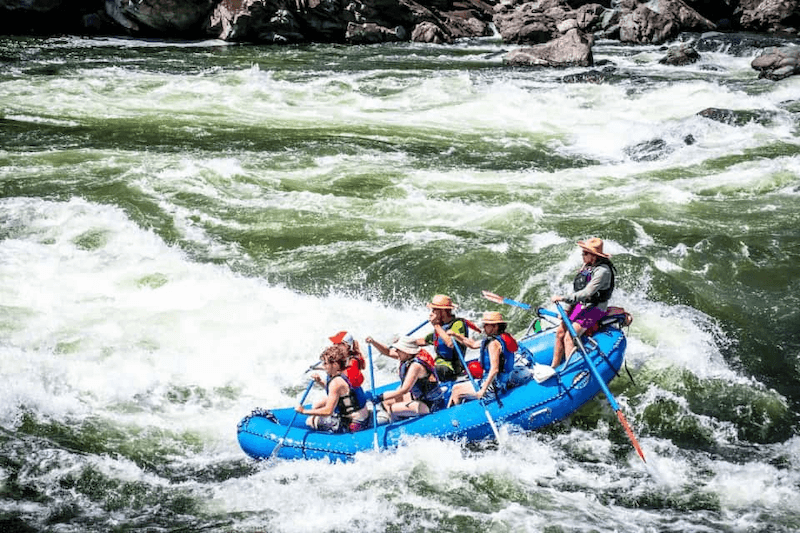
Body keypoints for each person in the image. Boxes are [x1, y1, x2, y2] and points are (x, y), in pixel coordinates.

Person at [549, 238, 616, 368]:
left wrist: (563, 298)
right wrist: (568, 310)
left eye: (585, 253)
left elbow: (586, 293)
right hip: (581, 305)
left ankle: (572, 369)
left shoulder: (603, 271)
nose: (582, 256)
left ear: (594, 256)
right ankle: (554, 366)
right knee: (560, 332)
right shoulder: (587, 266)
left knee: (570, 336)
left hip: (596, 308)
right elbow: (578, 289)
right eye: (583, 253)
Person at [365, 335, 445, 423]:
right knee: (386, 402)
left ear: (407, 351)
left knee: (392, 408)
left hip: (430, 404)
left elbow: (404, 390)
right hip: (420, 398)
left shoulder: (416, 366)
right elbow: (387, 352)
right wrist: (373, 342)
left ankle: (399, 426)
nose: (396, 351)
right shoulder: (408, 356)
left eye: (398, 350)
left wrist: (380, 397)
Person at [448, 311, 518, 406]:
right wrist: (455, 335)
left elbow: (494, 369)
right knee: (456, 387)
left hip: (494, 387)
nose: (484, 327)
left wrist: (483, 390)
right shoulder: (503, 338)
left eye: (486, 325)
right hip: (503, 381)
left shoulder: (493, 344)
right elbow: (472, 344)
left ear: (495, 327)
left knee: (456, 391)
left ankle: (454, 418)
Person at [295, 345, 370, 432]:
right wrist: (319, 381)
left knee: (310, 421)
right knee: (317, 404)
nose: (323, 366)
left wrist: (304, 411)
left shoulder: (336, 383)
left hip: (355, 422)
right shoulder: (346, 370)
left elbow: (328, 411)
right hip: (360, 414)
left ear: (335, 365)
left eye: (325, 363)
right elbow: (340, 392)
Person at [418, 294, 469, 381]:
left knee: (434, 370)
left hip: (452, 368)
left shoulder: (458, 324)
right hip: (439, 364)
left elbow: (450, 343)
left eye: (434, 310)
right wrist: (404, 342)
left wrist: (436, 325)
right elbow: (424, 341)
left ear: (443, 312)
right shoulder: (442, 326)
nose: (431, 313)